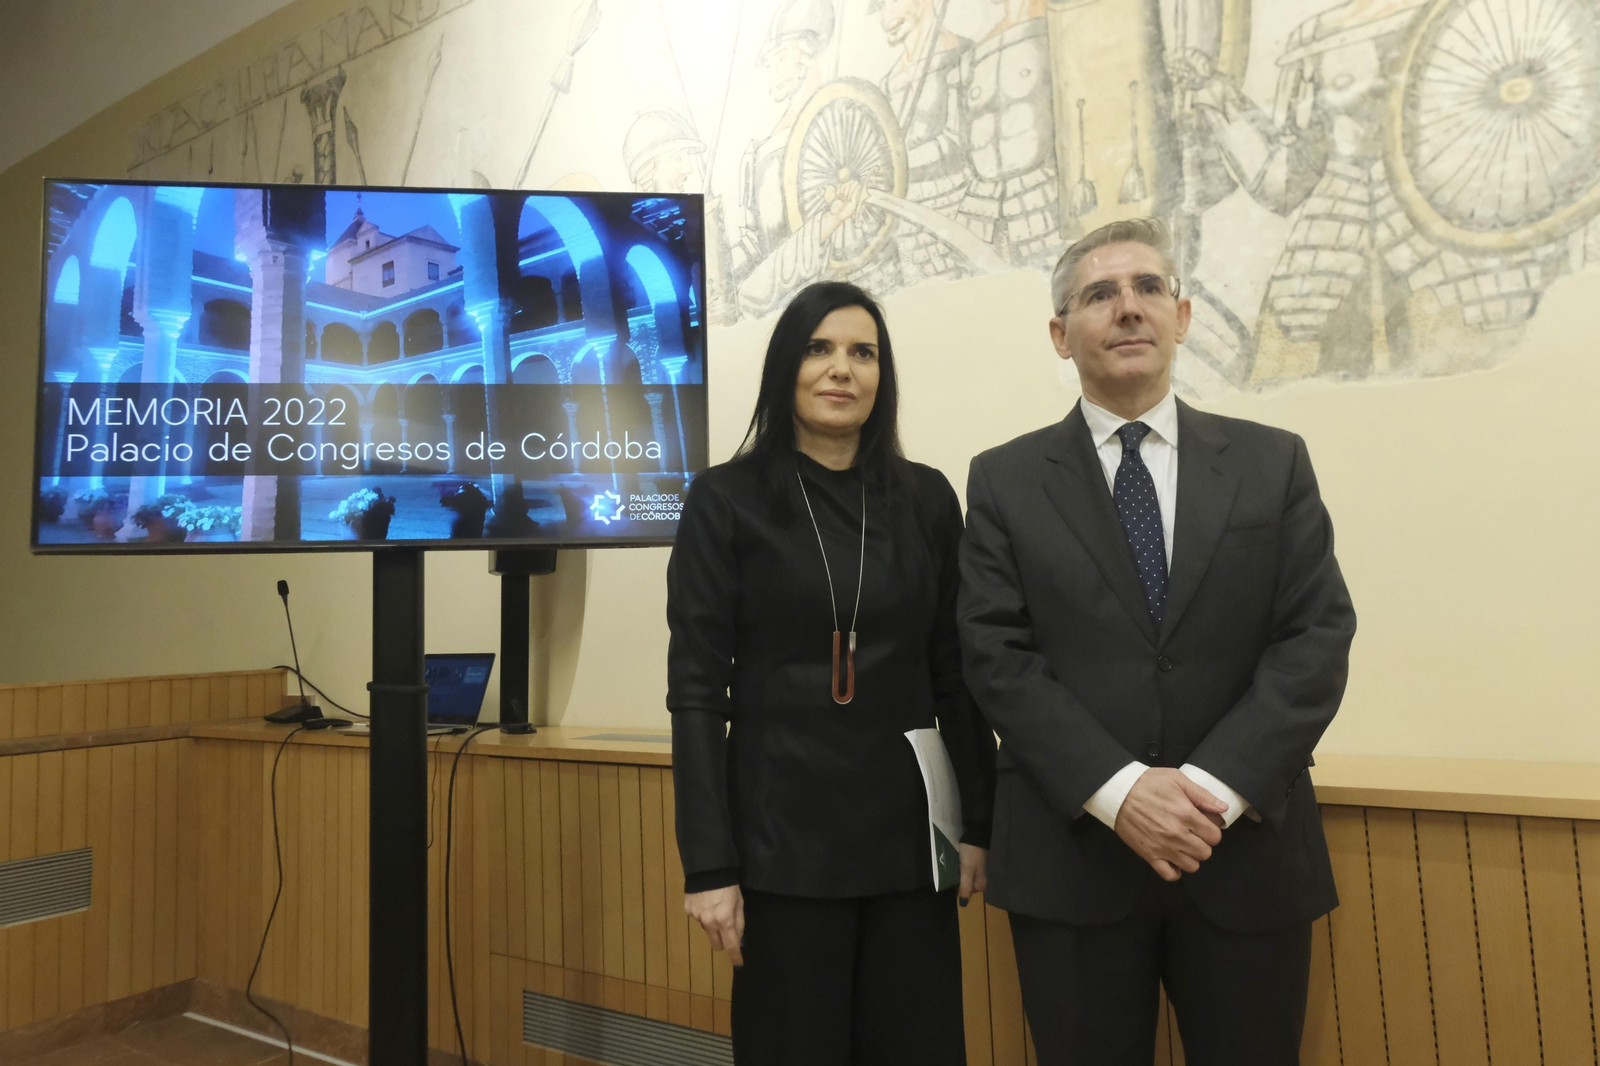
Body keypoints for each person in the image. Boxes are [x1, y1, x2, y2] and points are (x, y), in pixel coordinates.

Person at [957, 217, 1356, 1065]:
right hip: (1074, 865)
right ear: (1062, 336)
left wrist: (1209, 790)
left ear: (1181, 316)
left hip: (1244, 855)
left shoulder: (1272, 463)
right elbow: (996, 654)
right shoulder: (1004, 479)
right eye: (1100, 294)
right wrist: (1121, 791)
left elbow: (1315, 637)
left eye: (1146, 289)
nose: (1127, 308)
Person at [667, 281, 996, 1066]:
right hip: (782, 841)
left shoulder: (925, 499)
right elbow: (696, 692)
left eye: (862, 353)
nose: (840, 369)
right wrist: (710, 864)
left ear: (882, 377)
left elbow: (958, 676)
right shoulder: (726, 500)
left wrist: (979, 826)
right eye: (819, 348)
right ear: (787, 365)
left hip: (910, 844)